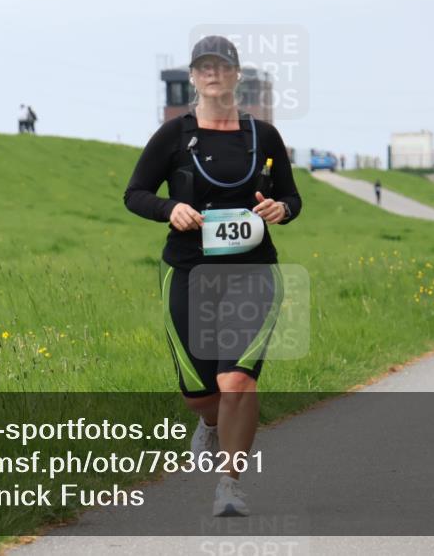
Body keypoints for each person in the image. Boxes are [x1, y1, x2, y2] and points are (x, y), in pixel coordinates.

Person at [123, 35, 301, 517]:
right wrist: (170, 208)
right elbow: (135, 193)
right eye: (203, 67)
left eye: (221, 66)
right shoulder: (174, 136)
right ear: (193, 76)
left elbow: (292, 197)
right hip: (187, 271)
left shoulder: (264, 136)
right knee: (201, 392)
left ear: (236, 74)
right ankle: (208, 424)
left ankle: (230, 484)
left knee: (236, 380)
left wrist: (281, 208)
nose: (212, 73)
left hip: (252, 271)